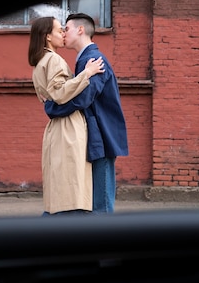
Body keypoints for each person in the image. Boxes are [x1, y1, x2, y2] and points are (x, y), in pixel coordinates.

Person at [44, 13, 129, 214]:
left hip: (101, 136)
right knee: (92, 201)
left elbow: (83, 98)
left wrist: (52, 107)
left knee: (101, 204)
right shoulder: (85, 60)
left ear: (80, 30)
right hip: (94, 135)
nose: (63, 33)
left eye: (67, 29)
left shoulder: (94, 60)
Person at [28, 16, 105, 215]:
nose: (63, 33)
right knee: (73, 190)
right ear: (47, 37)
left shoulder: (40, 62)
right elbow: (60, 93)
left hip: (57, 128)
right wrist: (86, 73)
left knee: (60, 189)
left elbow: (49, 98)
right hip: (68, 129)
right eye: (59, 30)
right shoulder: (53, 59)